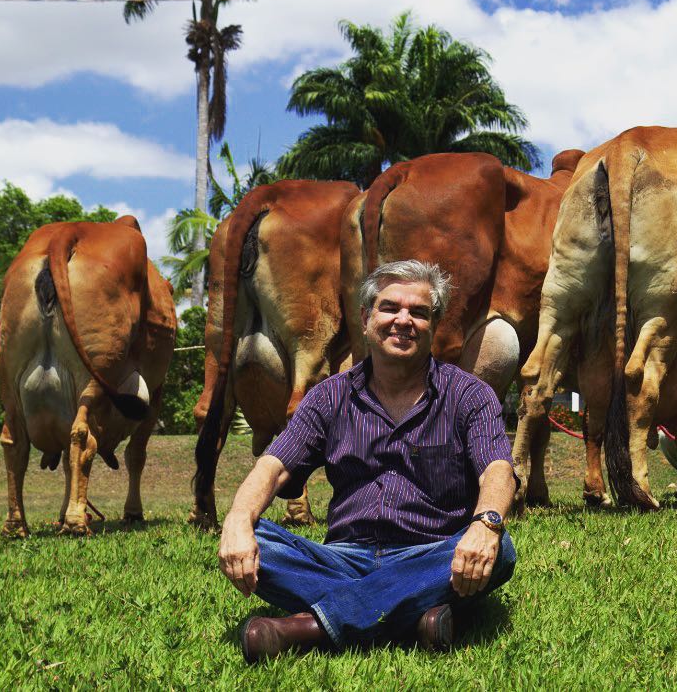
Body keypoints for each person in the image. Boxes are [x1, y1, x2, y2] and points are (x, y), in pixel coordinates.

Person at [217, 259, 518, 661]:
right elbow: (274, 466)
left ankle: (308, 629)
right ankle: (416, 611)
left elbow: (498, 469)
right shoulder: (329, 397)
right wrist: (237, 520)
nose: (403, 320)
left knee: (501, 549)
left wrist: (485, 524)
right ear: (365, 318)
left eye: (419, 312)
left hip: (432, 553)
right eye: (390, 307)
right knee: (257, 540)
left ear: (434, 324)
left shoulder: (469, 395)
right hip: (344, 556)